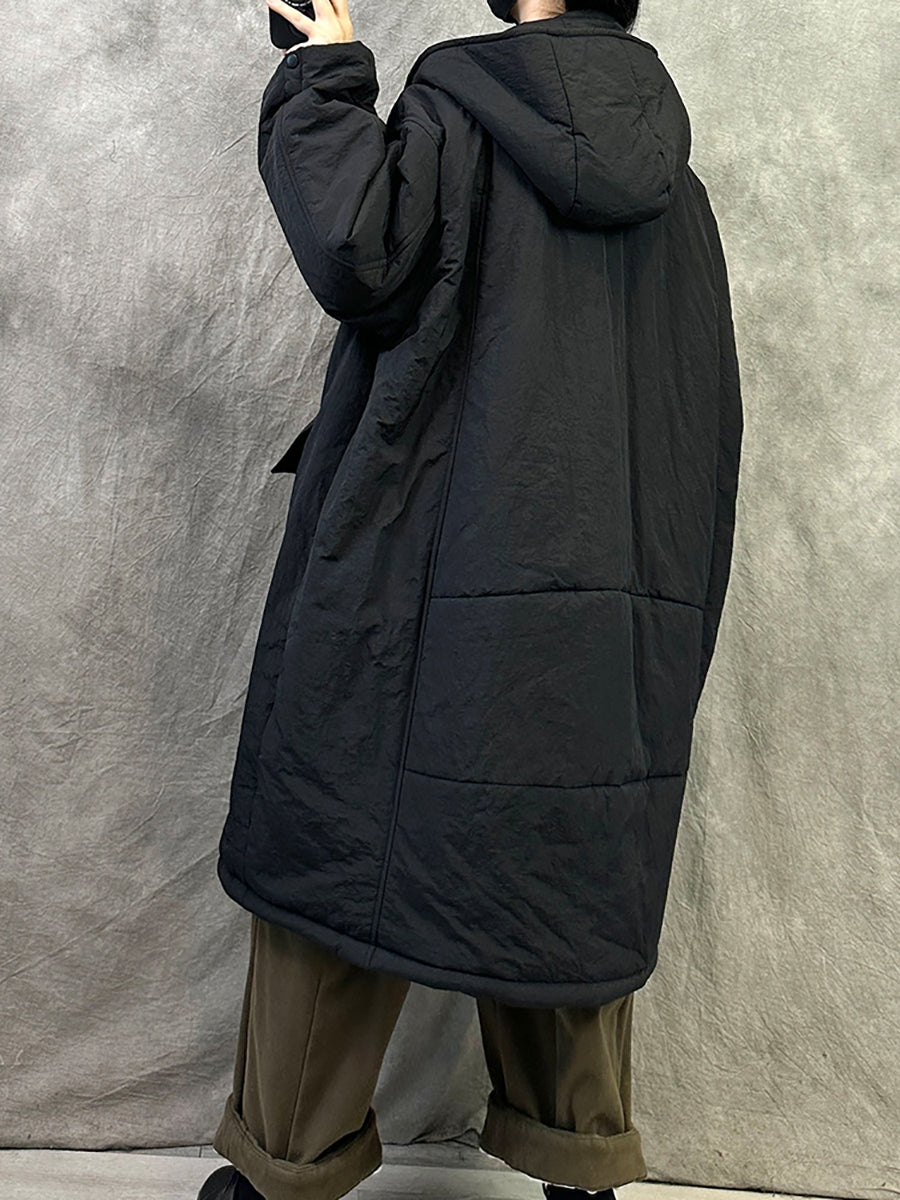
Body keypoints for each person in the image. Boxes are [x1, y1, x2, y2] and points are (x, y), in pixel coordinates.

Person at [200, 0, 743, 1196]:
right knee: (567, 852)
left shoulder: (459, 117)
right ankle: (579, 1159)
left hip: (422, 580)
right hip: (602, 604)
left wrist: (324, 70)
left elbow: (356, 254)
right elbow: (700, 423)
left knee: (346, 836)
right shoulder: (679, 191)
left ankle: (281, 1168)